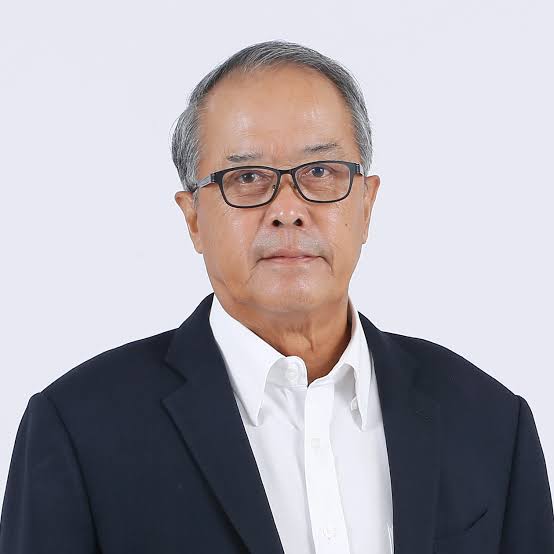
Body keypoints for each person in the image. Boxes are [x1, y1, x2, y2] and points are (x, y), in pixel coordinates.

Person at [0, 39, 552, 554]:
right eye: (246, 178)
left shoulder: (490, 422)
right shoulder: (78, 429)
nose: (288, 209)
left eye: (320, 171)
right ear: (193, 218)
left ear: (366, 204)